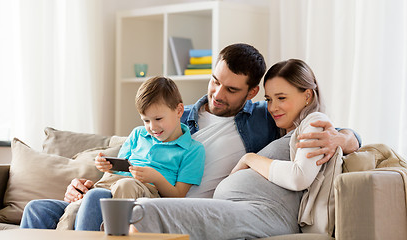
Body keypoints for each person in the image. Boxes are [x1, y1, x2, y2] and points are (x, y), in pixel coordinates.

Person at [20, 43, 360, 231]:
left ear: (252, 91)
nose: (217, 93)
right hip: (129, 188)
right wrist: (86, 183)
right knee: (38, 211)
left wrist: (342, 140)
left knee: (101, 205)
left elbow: (328, 126)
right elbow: (131, 159)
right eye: (215, 80)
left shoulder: (265, 117)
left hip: (170, 203)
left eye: (231, 89)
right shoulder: (175, 116)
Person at [130, 59, 345, 239]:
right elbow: (137, 147)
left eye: (281, 98)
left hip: (264, 213)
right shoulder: (176, 116)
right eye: (269, 99)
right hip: (234, 207)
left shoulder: (307, 123)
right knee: (137, 209)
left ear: (307, 95)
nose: (273, 107)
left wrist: (249, 158)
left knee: (145, 210)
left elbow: (301, 174)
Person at [20, 76, 205, 230]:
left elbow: (179, 195)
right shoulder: (138, 134)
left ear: (179, 110)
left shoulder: (193, 150)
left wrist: (155, 177)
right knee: (36, 208)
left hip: (144, 194)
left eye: (158, 119)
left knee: (118, 187)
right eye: (146, 120)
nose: (152, 127)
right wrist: (107, 167)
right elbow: (117, 172)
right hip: (107, 189)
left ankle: (110, 228)